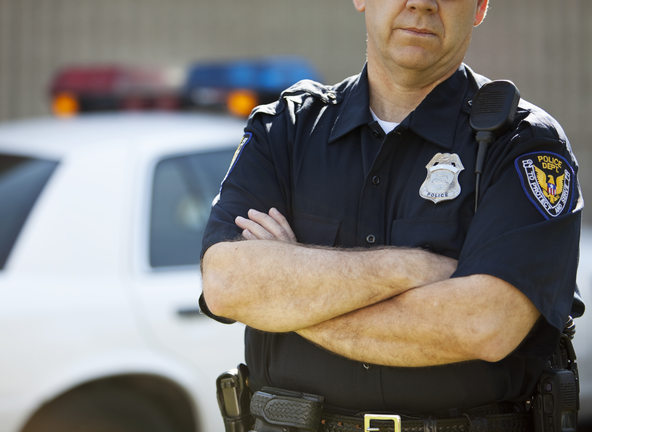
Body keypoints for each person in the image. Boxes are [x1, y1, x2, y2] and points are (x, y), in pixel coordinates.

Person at [200, 0, 584, 430]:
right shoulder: (286, 131)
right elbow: (227, 284)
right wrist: (409, 267)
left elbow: (485, 324)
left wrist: (287, 300)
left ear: (479, 7)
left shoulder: (524, 146)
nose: (421, 3)